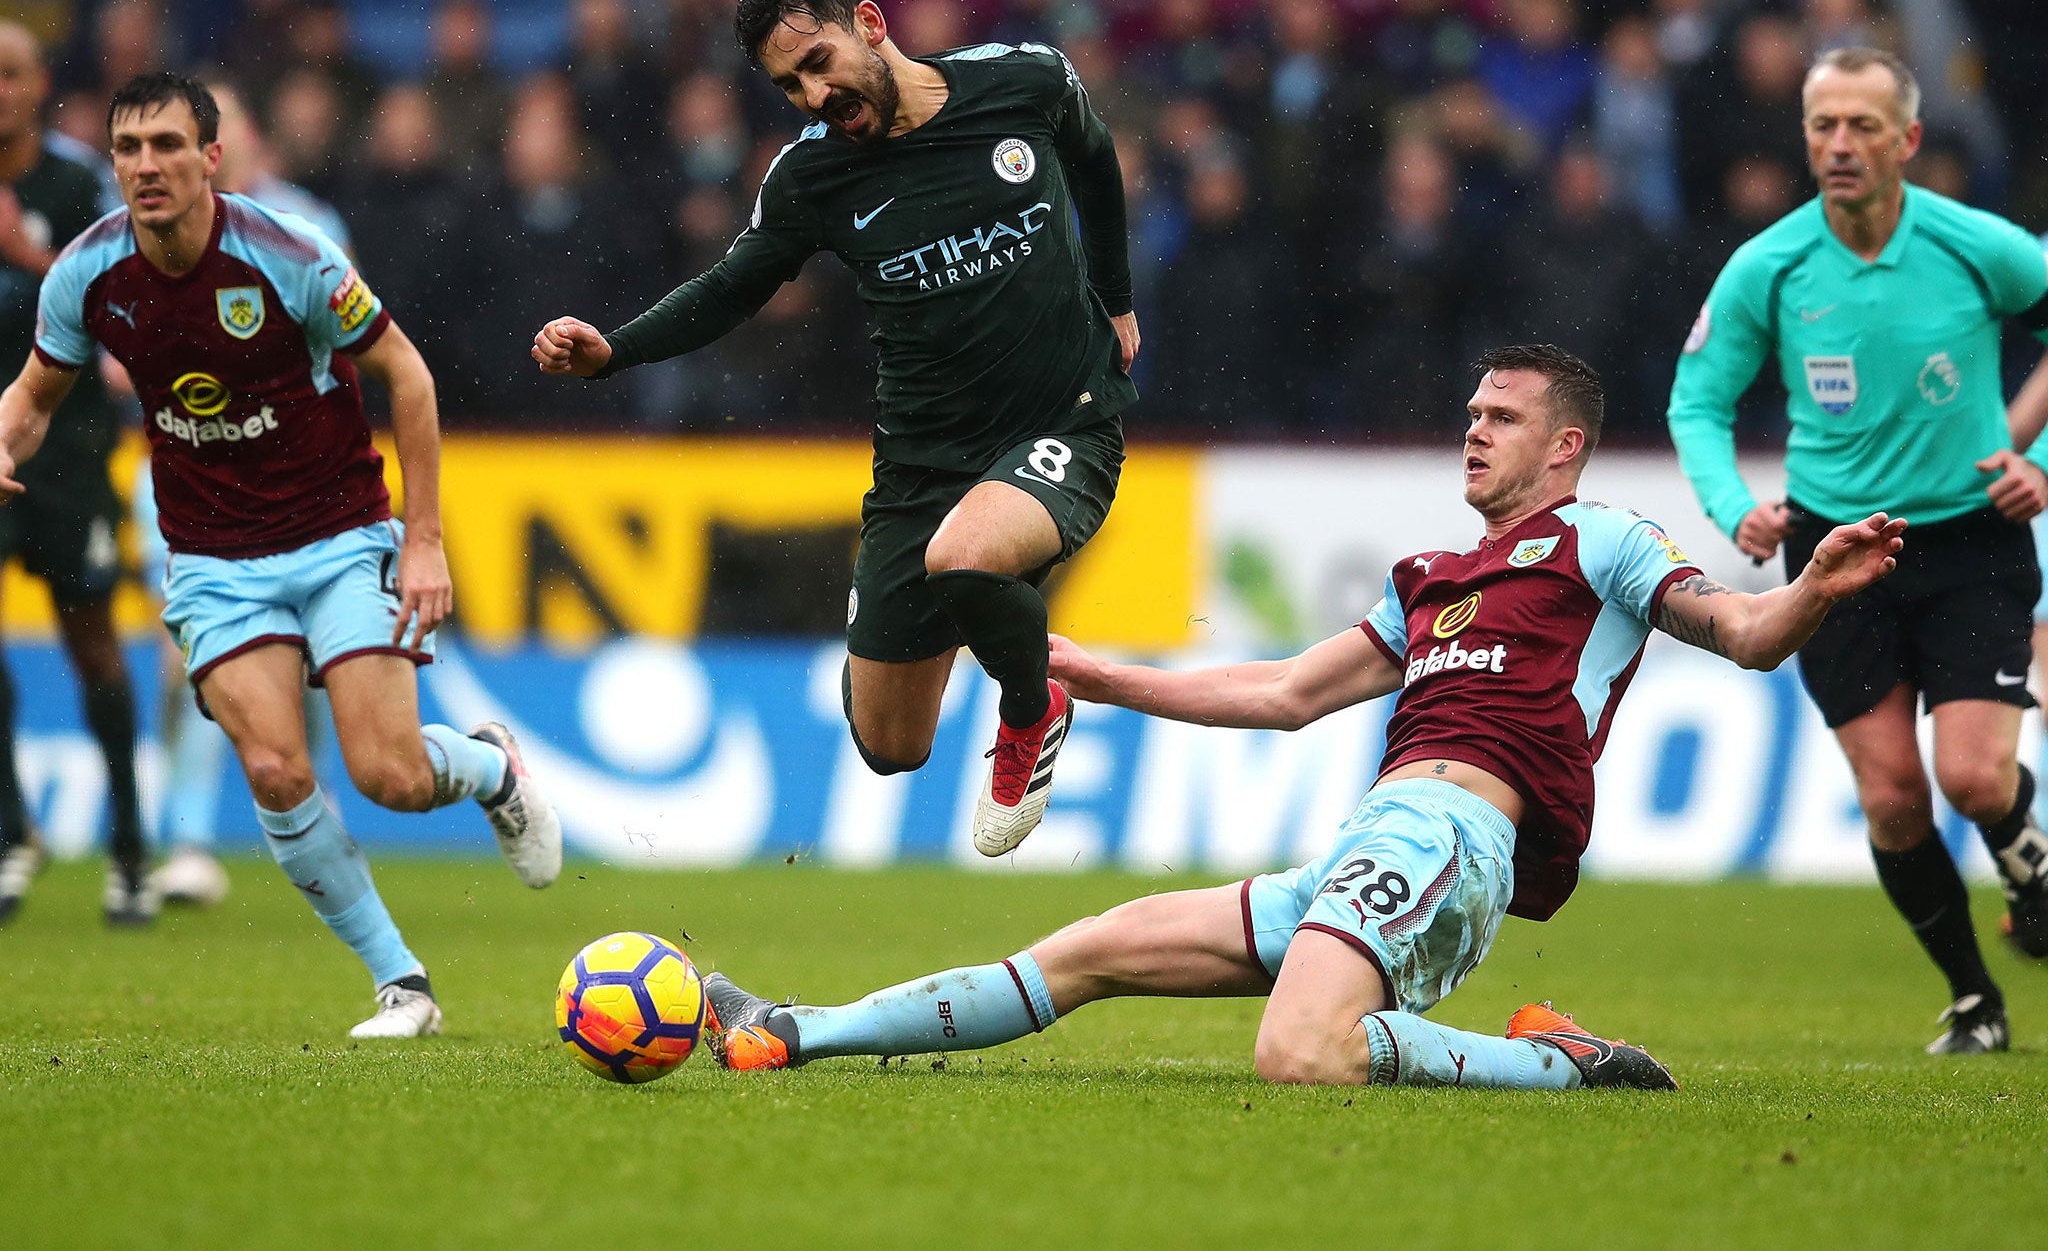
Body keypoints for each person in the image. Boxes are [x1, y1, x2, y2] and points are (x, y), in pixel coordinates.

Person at [702, 345, 1905, 1086]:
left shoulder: (1600, 541)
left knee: (1299, 1056)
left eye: (1500, 416)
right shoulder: (1429, 575)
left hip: (1451, 840)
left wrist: (1807, 588)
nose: (1472, 429)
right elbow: (1283, 694)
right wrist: (1095, 674)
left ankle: (1552, 1067)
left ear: (1565, 445)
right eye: (1470, 412)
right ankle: (794, 1033)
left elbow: (1744, 636)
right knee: (1086, 953)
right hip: (1365, 846)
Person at [534, 0, 1138, 858]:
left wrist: (1119, 298)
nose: (813, 96)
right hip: (920, 467)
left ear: (870, 24)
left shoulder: (1025, 83)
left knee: (966, 558)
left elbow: (1095, 160)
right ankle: (995, 628)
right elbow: (731, 288)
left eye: (817, 65)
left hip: (1066, 418)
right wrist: (615, 350)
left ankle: (1030, 708)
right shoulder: (811, 178)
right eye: (789, 86)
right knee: (890, 743)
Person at [0, 72, 563, 1037]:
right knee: (273, 769)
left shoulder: (285, 252)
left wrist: (422, 541)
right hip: (214, 559)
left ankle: (487, 770)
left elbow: (409, 376)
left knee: (388, 773)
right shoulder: (86, 274)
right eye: (129, 149)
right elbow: (33, 395)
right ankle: (402, 985)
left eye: (168, 146)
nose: (147, 167)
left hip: (340, 532)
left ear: (211, 158)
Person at [1668, 46, 2048, 1055]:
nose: (1837, 145)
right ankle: (1973, 998)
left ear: (1906, 140)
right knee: (1889, 796)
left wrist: (2037, 459)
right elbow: (1696, 398)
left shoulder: (1975, 245)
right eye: (1821, 126)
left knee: (1970, 778)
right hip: (1834, 558)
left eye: (1860, 126)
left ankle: (2026, 864)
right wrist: (1730, 503)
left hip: (1968, 540)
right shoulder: (1770, 264)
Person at [144, 76, 353, 907]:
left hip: (298, 474)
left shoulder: (308, 226)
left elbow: (347, 339)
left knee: (312, 658)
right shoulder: (145, 237)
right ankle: (188, 839)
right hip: (188, 464)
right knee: (193, 660)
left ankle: (322, 802)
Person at [0, 20, 153, 926]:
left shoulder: (82, 187)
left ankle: (129, 845)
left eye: (9, 74)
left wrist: (27, 254)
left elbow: (131, 290)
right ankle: (13, 831)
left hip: (70, 447)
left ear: (37, 85)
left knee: (90, 641)